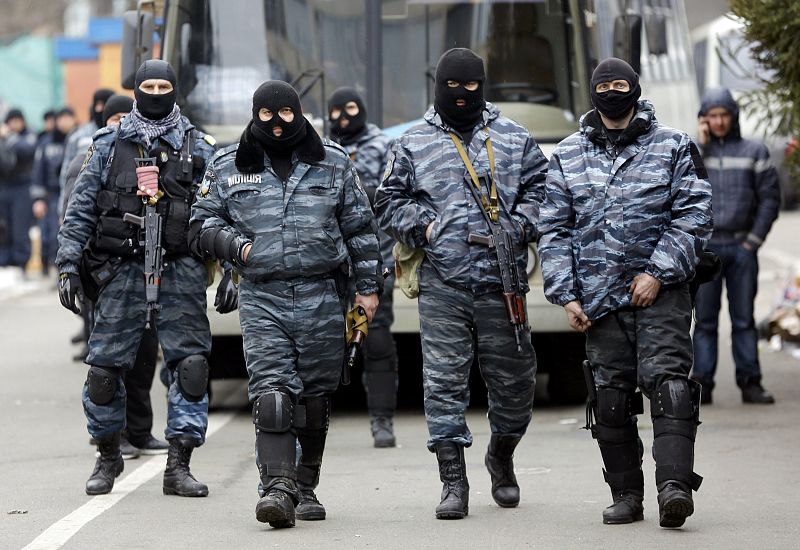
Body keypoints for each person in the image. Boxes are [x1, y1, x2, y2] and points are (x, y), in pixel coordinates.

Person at [190, 80, 382, 528]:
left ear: (300, 114)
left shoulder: (332, 162)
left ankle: (306, 485)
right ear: (254, 116)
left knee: (314, 397)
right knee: (273, 393)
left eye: (287, 116)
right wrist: (237, 247)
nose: (277, 125)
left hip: (321, 294)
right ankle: (277, 488)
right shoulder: (230, 165)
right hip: (262, 296)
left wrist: (368, 289)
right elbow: (201, 225)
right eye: (266, 117)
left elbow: (360, 229)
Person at [538, 58, 712, 528]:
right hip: (599, 302)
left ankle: (673, 487)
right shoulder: (568, 154)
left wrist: (658, 271)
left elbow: (694, 215)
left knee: (670, 386)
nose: (612, 92)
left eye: (621, 84)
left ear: (635, 90)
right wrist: (566, 294)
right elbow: (553, 230)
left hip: (662, 294)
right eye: (604, 85)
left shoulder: (674, 146)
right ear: (592, 92)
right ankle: (626, 495)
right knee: (610, 399)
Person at [375, 48, 547, 519]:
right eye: (454, 87)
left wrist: (522, 224)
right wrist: (425, 226)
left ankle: (501, 455)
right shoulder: (413, 142)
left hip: (503, 282)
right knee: (444, 383)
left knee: (516, 386)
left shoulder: (513, 137)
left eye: (472, 86)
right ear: (438, 87)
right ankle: (453, 481)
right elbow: (388, 201)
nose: (463, 96)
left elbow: (543, 191)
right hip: (444, 283)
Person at [56, 60, 216, 497]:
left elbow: (222, 211)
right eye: (149, 85)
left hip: (180, 269)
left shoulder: (198, 145)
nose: (157, 91)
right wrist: (68, 265)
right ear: (136, 89)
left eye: (164, 85)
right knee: (105, 370)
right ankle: (108, 457)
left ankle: (179, 465)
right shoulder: (108, 145)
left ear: (175, 90)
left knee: (192, 367)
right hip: (121, 271)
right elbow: (81, 208)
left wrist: (233, 271)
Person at [60, 94, 170, 458]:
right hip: (104, 273)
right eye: (115, 116)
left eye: (127, 115)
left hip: (146, 271)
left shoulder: (149, 155)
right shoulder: (91, 156)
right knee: (109, 363)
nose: (121, 122)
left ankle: (139, 430)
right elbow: (74, 217)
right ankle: (112, 438)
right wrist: (73, 266)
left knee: (143, 356)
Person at [691, 87, 781, 405]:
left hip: (741, 248)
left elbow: (770, 198)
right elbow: (680, 192)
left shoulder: (754, 151)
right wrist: (699, 147)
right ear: (703, 119)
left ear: (734, 116)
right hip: (707, 250)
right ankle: (701, 383)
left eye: (723, 114)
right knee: (705, 321)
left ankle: (750, 382)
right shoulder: (692, 150)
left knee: (743, 320)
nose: (718, 121)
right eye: (712, 115)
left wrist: (752, 243)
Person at [326, 87, 398, 448]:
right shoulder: (321, 148)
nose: (343, 117)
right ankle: (318, 421)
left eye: (351, 108)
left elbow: (391, 196)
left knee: (374, 337)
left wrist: (361, 194)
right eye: (337, 111)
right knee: (322, 341)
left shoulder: (382, 145)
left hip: (370, 262)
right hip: (328, 265)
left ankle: (381, 421)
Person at [59, 89, 115, 218]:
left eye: (104, 104)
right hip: (83, 205)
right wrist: (64, 210)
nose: (100, 108)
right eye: (97, 104)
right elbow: (66, 176)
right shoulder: (78, 137)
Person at [32, 107, 76, 273]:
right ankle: (50, 267)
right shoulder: (46, 143)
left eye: (68, 117)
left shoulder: (79, 139)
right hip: (52, 194)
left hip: (74, 194)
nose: (64, 121)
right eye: (61, 118)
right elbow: (38, 172)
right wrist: (38, 199)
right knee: (49, 234)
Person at [0, 109, 37, 271]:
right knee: (4, 226)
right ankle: (5, 262)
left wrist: (9, 137)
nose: (14, 124)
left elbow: (27, 150)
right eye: (11, 121)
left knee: (20, 226)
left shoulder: (28, 135)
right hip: (5, 186)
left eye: (17, 120)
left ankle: (20, 262)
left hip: (23, 187)